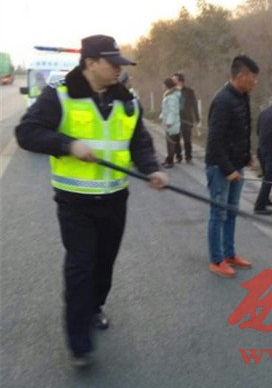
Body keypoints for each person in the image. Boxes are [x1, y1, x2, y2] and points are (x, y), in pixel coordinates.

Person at [15, 34, 168, 368]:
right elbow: (27, 133)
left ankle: (94, 306)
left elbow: (139, 141)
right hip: (75, 201)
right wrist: (68, 144)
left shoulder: (127, 100)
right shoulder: (59, 95)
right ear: (90, 63)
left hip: (115, 198)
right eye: (112, 63)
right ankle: (79, 344)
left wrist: (152, 169)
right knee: (80, 266)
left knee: (103, 263)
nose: (118, 69)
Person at [204, 55, 258, 278]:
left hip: (236, 165)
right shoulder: (223, 101)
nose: (255, 82)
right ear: (241, 76)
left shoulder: (242, 97)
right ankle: (217, 260)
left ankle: (229, 254)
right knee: (218, 214)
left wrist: (246, 156)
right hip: (220, 168)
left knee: (232, 212)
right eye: (253, 77)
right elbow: (214, 142)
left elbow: (242, 131)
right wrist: (228, 170)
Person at [172, 72, 199, 163]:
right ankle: (178, 156)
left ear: (180, 81)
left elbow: (194, 105)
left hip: (186, 118)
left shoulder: (189, 92)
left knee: (187, 139)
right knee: (176, 138)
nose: (173, 81)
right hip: (175, 118)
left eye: (174, 80)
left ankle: (188, 156)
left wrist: (197, 118)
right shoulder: (171, 92)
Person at [159, 78, 181, 168]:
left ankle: (170, 161)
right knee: (169, 143)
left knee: (171, 143)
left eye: (163, 85)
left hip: (172, 124)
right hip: (168, 122)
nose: (162, 86)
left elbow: (173, 111)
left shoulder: (173, 97)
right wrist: (162, 115)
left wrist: (169, 121)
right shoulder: (168, 94)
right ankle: (168, 158)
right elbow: (166, 108)